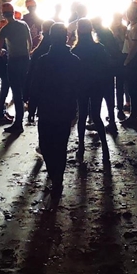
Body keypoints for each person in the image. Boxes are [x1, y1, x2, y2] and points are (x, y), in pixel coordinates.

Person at [30, 23, 80, 200]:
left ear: (50, 37)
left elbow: (35, 86)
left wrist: (32, 108)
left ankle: (54, 175)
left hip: (46, 109)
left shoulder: (43, 60)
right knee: (61, 145)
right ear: (66, 37)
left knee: (46, 144)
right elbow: (78, 87)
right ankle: (57, 178)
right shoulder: (74, 60)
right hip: (65, 109)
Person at [72, 19, 111, 159]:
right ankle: (105, 148)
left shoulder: (75, 50)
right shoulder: (99, 48)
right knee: (96, 116)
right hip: (96, 86)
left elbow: (72, 72)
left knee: (82, 117)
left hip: (81, 87)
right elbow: (107, 67)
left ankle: (81, 147)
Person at [0, 1, 32, 134]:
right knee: (22, 92)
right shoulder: (23, 25)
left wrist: (5, 52)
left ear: (3, 15)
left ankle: (18, 123)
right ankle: (20, 120)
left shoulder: (5, 29)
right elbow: (30, 42)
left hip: (14, 62)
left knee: (16, 94)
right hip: (25, 60)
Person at [91, 16, 120, 130]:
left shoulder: (101, 35)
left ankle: (101, 122)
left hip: (103, 69)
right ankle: (111, 120)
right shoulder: (106, 32)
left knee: (99, 97)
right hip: (109, 69)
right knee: (109, 96)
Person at [25, 19, 55, 123]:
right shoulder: (53, 43)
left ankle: (32, 113)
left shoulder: (42, 45)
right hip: (53, 80)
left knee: (36, 92)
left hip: (40, 77)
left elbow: (33, 65)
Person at [0, 17, 12, 125]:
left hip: (3, 69)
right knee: (4, 91)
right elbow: (3, 54)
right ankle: (1, 115)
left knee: (5, 91)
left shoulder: (0, 39)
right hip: (4, 69)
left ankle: (3, 112)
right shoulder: (1, 40)